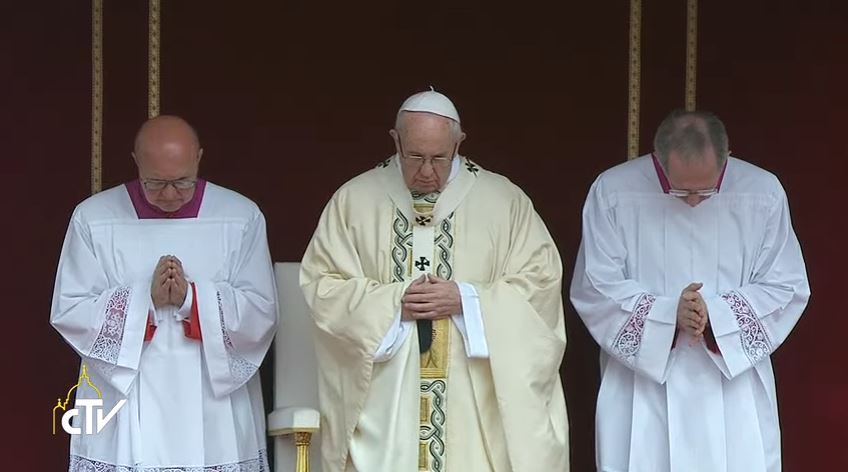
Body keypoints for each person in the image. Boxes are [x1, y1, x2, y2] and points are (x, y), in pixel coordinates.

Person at [300, 90, 569, 471]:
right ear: (395, 139)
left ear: (459, 143)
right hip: (386, 405)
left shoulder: (505, 202)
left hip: (474, 405)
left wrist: (469, 300)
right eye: (415, 157)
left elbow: (540, 285)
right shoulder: (353, 200)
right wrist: (393, 303)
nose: (427, 171)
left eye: (440, 158)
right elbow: (323, 286)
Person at [570, 109, 810, 471]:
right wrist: (668, 314)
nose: (694, 202)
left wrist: (715, 314)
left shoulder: (762, 193)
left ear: (727, 158)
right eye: (680, 190)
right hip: (643, 382)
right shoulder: (613, 191)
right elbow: (594, 284)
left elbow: (786, 285)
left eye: (707, 190)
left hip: (733, 381)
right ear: (658, 160)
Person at [50, 115, 278, 470]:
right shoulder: (94, 219)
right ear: (136, 162)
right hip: (123, 398)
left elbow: (261, 311)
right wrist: (145, 301)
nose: (170, 194)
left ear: (199, 159)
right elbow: (70, 310)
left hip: (211, 401)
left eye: (182, 182)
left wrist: (192, 298)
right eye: (156, 183)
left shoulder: (240, 217)